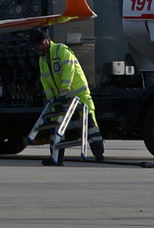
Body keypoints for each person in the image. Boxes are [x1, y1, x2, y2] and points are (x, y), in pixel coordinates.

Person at [35, 28, 103, 163]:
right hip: (60, 98)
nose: (41, 47)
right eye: (38, 45)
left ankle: (99, 155)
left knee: (90, 125)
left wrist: (64, 90)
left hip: (78, 94)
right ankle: (56, 158)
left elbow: (68, 70)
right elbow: (45, 80)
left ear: (48, 40)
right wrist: (51, 99)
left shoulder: (61, 51)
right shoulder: (42, 60)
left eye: (42, 43)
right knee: (55, 127)